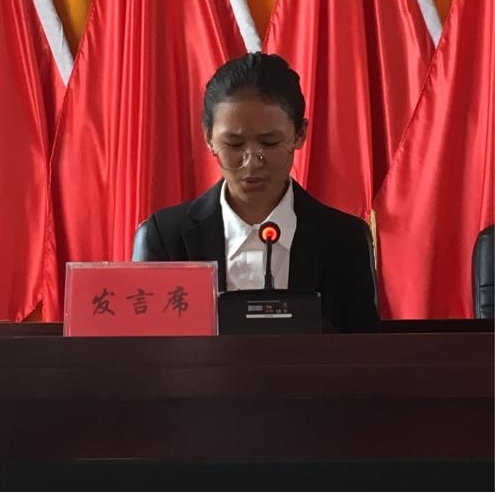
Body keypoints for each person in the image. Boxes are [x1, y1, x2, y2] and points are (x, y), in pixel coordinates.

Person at [132, 52, 379, 332]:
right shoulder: (166, 238)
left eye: (270, 143)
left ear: (299, 134)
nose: (251, 162)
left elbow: (364, 351)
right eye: (234, 145)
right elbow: (147, 350)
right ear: (209, 137)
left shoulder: (344, 239)